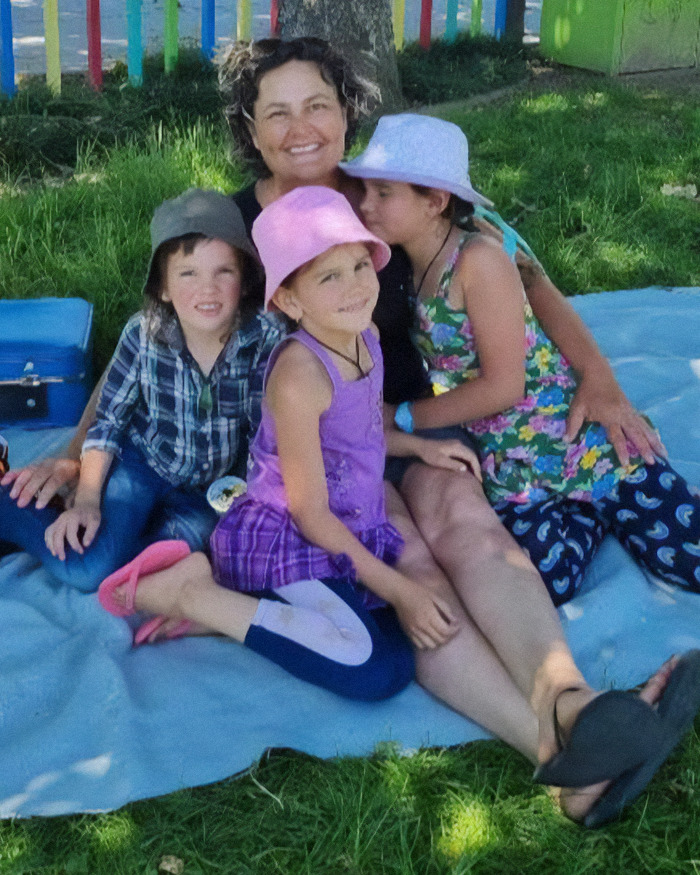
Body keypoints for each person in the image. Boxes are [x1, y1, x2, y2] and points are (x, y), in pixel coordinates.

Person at [6, 37, 690, 825]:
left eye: (319, 106)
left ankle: (568, 698)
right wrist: (72, 452)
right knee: (415, 570)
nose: (301, 129)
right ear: (252, 130)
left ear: (346, 113)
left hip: (405, 417)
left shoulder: (393, 186)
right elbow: (150, 336)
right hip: (308, 450)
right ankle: (555, 751)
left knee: (466, 521)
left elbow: (528, 277)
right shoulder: (235, 225)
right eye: (277, 113)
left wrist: (597, 375)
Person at [342, 112, 700, 605]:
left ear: (436, 201)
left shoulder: (477, 262)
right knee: (542, 586)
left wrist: (401, 418)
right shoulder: (403, 263)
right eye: (366, 190)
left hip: (575, 438)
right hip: (511, 462)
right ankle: (590, 514)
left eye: (384, 192)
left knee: (686, 556)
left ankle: (607, 499)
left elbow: (504, 386)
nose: (366, 204)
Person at [100, 186, 427, 700]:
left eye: (361, 265)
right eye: (330, 276)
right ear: (289, 300)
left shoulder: (367, 338)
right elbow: (309, 514)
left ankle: (233, 608)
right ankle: (190, 593)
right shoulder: (300, 376)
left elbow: (356, 432)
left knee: (399, 654)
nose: (357, 287)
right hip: (290, 535)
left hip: (350, 528)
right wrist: (401, 588)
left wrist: (418, 446)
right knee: (375, 672)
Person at [0, 188, 282, 596]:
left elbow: (264, 435)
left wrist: (255, 505)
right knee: (88, 569)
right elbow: (108, 422)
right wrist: (88, 500)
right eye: (189, 273)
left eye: (225, 271)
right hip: (141, 468)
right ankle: (11, 508)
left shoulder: (263, 340)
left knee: (185, 559)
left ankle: (140, 546)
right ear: (164, 287)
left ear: (245, 278)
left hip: (208, 489)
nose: (209, 289)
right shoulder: (144, 334)